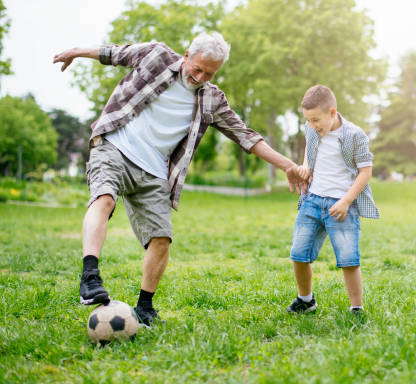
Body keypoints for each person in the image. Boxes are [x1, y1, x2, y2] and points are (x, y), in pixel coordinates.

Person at [53, 31, 306, 326]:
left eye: (208, 74)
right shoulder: (156, 56)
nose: (199, 77)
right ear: (186, 55)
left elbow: (246, 137)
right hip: (115, 147)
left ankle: (145, 307)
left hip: (154, 170)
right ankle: (90, 276)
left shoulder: (212, 99)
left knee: (161, 238)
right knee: (104, 198)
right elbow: (113, 53)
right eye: (197, 68)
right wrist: (76, 51)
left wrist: (288, 164)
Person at [286, 85, 380, 315]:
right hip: (313, 201)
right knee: (299, 253)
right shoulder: (312, 130)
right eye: (308, 120)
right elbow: (310, 146)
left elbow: (365, 172)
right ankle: (306, 300)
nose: (312, 125)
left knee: (348, 259)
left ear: (332, 112)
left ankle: (356, 307)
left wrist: (347, 201)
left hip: (341, 205)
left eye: (316, 120)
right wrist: (307, 165)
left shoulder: (354, 135)